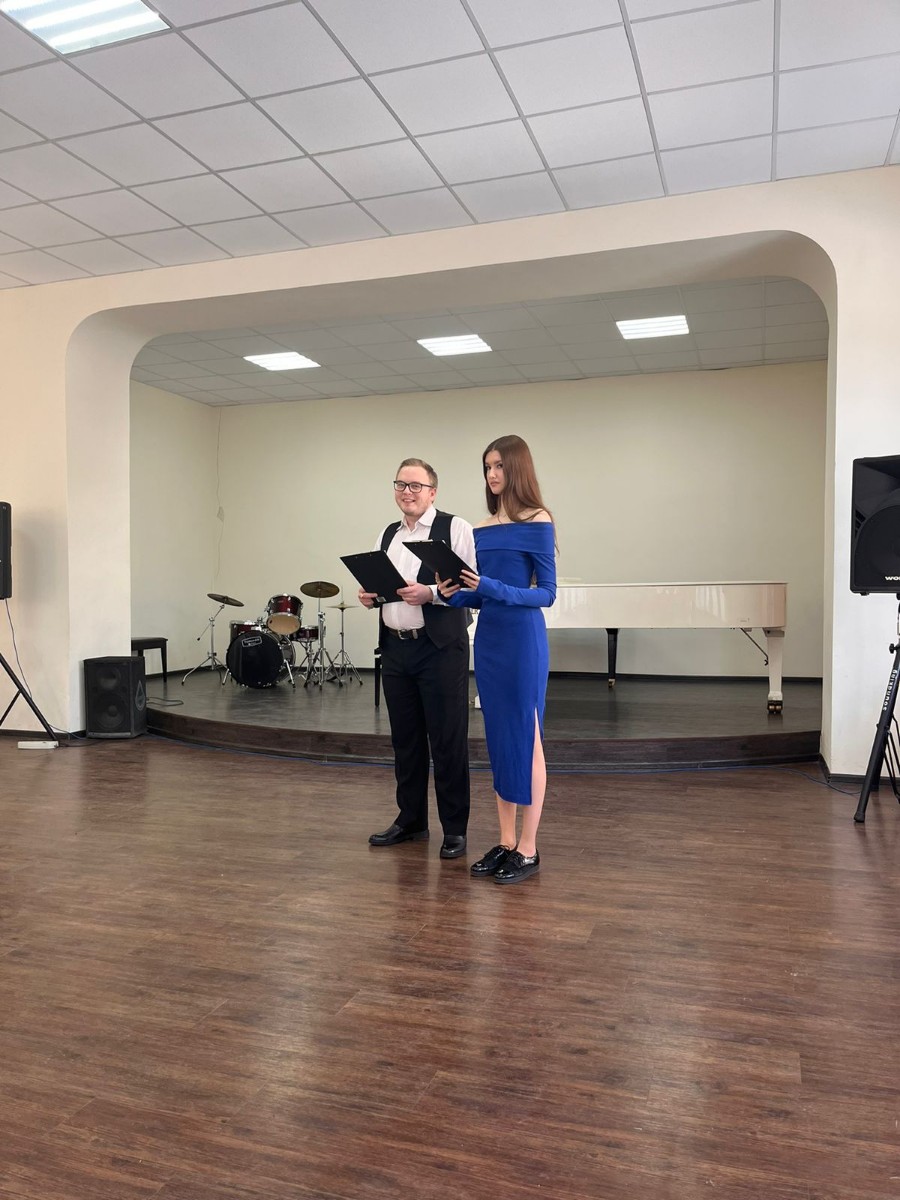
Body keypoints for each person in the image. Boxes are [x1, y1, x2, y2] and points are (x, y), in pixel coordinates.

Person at [438, 435, 556, 884]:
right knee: (498, 739)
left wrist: (488, 587)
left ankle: (529, 847)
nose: (491, 474)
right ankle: (506, 841)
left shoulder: (539, 520)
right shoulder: (481, 528)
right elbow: (481, 595)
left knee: (528, 737)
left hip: (523, 641)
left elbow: (546, 594)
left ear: (517, 468)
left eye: (499, 466)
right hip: (488, 640)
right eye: (487, 466)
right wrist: (453, 594)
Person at [361, 458, 476, 859]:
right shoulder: (387, 533)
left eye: (415, 486)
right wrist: (371, 596)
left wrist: (432, 594)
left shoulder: (455, 528)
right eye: (400, 485)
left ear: (432, 491)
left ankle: (455, 829)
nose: (406, 492)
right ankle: (411, 820)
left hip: (439, 649)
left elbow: (471, 587)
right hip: (395, 648)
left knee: (447, 741)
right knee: (405, 741)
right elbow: (386, 587)